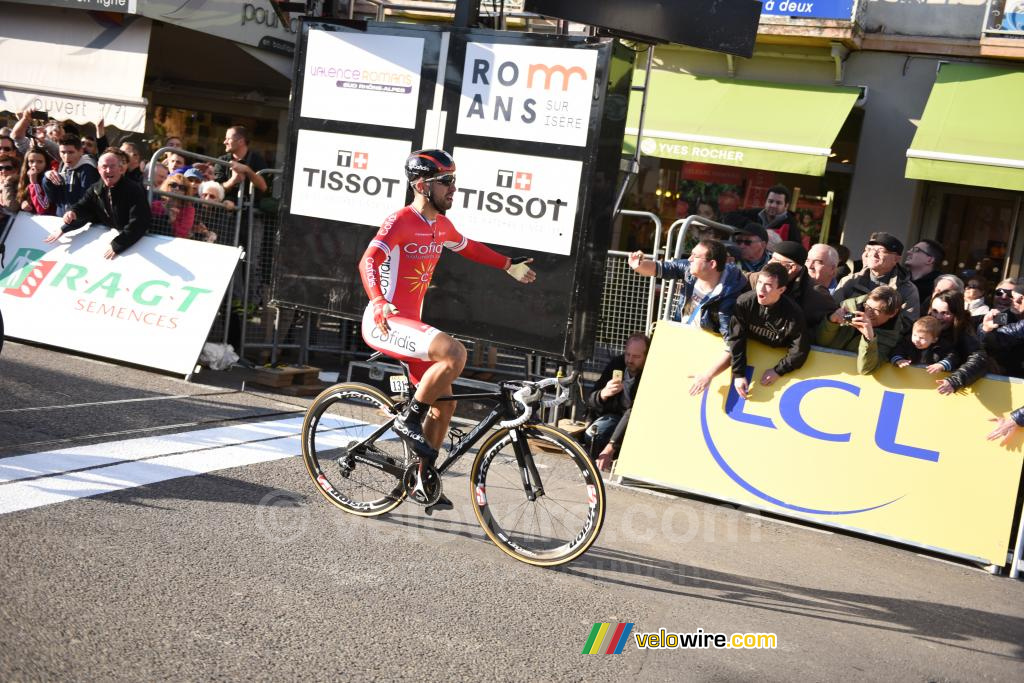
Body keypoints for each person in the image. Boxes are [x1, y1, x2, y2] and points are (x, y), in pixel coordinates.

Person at [358, 149, 536, 508]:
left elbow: (468, 247)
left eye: (454, 180)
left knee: (444, 407)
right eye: (447, 182)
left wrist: (506, 265)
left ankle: (422, 478)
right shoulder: (401, 220)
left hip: (411, 325)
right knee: (454, 352)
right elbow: (368, 260)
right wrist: (378, 300)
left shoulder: (440, 226)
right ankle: (408, 419)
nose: (454, 188)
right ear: (423, 185)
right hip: (385, 321)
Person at [43, 149, 150, 259]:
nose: (108, 170)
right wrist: (70, 216)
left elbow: (139, 222)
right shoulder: (95, 189)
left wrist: (118, 244)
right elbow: (83, 207)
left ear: (121, 169)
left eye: (112, 166)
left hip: (136, 246)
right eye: (104, 167)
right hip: (111, 242)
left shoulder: (134, 189)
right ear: (98, 170)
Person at [628, 238, 745, 335]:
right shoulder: (688, 269)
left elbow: (729, 339)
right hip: (681, 334)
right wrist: (639, 265)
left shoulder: (730, 291)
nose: (690, 259)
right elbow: (660, 268)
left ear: (712, 264)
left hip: (706, 344)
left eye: (695, 256)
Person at [726, 262, 809, 399]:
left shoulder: (793, 314)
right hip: (751, 358)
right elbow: (736, 338)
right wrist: (739, 374)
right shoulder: (744, 302)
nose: (761, 289)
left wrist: (778, 371)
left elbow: (800, 349)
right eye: (759, 282)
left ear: (781, 290)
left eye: (768, 285)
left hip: (777, 359)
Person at [586, 333, 649, 472]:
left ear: (646, 356)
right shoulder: (617, 364)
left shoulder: (649, 372)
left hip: (637, 421)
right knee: (592, 435)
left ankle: (615, 454)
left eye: (636, 356)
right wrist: (603, 394)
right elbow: (590, 399)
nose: (630, 360)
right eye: (628, 354)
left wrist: (611, 446)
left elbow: (634, 411)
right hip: (613, 416)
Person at [833, 232, 920, 329]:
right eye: (871, 249)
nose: (874, 254)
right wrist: (855, 320)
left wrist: (878, 321)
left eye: (881, 251)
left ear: (896, 259)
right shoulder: (850, 281)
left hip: (882, 341)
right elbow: (835, 312)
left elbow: (907, 325)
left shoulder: (907, 289)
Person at [817, 285, 903, 374]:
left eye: (877, 310)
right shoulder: (848, 308)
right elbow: (820, 342)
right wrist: (831, 321)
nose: (869, 314)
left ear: (892, 313)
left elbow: (866, 369)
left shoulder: (892, 334)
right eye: (868, 306)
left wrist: (869, 339)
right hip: (820, 367)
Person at [757, 241, 835, 332]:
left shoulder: (817, 294)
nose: (769, 262)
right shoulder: (761, 277)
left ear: (791, 268)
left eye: (775, 260)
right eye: (770, 257)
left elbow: (827, 326)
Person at [922, 290, 989, 394]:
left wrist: (954, 380)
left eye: (945, 313)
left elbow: (979, 358)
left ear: (956, 314)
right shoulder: (923, 325)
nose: (938, 317)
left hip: (950, 392)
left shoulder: (964, 331)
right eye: (934, 311)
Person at [42, 134, 100, 216]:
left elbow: (87, 203)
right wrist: (47, 179)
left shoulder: (88, 170)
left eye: (71, 152)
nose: (66, 157)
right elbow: (52, 198)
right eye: (63, 152)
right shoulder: (63, 166)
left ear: (81, 151)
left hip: (78, 222)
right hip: (61, 218)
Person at [214, 125, 267, 204]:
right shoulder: (222, 160)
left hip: (249, 212)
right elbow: (216, 190)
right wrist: (233, 181)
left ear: (241, 141)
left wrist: (247, 170)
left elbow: (264, 187)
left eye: (228, 139)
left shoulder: (257, 160)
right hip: (224, 211)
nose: (224, 142)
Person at [151, 173, 196, 238]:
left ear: (186, 192)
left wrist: (173, 221)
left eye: (182, 187)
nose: (177, 188)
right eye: (173, 185)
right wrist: (166, 215)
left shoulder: (188, 210)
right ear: (167, 186)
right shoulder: (156, 205)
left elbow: (182, 235)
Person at [16, 146, 56, 215]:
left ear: (46, 164)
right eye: (31, 161)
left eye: (40, 162)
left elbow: (43, 209)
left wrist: (34, 183)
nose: (35, 165)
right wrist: (23, 203)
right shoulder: (23, 179)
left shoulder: (50, 180)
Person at [905, 239, 945, 303]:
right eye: (911, 249)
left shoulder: (937, 286)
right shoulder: (900, 278)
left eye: (916, 250)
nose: (908, 252)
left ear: (929, 260)